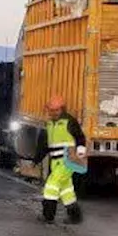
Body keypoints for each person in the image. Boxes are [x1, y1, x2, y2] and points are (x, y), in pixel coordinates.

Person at [34, 95, 87, 224]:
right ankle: (75, 217)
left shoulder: (69, 122)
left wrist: (80, 152)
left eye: (55, 110)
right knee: (66, 190)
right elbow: (45, 145)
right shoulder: (50, 124)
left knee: (51, 187)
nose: (53, 113)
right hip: (55, 162)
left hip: (66, 161)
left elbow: (80, 137)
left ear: (62, 109)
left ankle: (48, 216)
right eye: (51, 110)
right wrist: (36, 160)